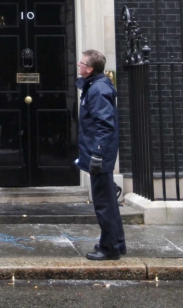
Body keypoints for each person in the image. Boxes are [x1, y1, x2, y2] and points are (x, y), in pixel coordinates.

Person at [76, 49, 125, 261]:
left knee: (103, 203)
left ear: (90, 68)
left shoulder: (98, 90)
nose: (78, 65)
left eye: (81, 63)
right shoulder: (96, 86)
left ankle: (109, 248)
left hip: (100, 153)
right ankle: (117, 243)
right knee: (109, 202)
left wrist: (97, 154)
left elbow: (105, 125)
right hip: (99, 151)